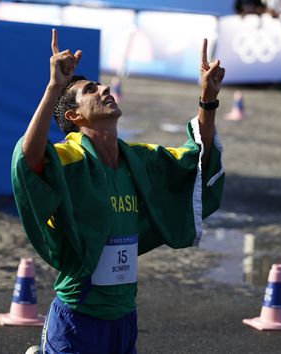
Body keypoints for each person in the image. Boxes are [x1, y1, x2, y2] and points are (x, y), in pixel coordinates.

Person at [11, 29, 225, 353]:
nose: (106, 88)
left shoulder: (136, 160)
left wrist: (208, 101)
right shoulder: (70, 159)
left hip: (124, 321)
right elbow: (30, 161)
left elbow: (195, 161)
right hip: (77, 320)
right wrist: (54, 87)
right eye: (91, 90)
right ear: (74, 116)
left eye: (102, 85)